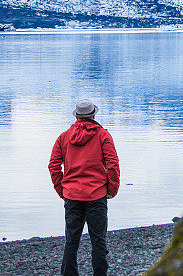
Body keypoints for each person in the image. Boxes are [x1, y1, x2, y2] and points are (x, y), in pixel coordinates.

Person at [48, 99, 120, 276]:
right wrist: (112, 190)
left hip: (72, 195)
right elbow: (113, 165)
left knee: (71, 241)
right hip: (96, 196)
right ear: (93, 115)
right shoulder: (103, 135)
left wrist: (62, 190)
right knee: (98, 242)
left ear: (77, 116)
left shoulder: (64, 137)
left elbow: (53, 166)